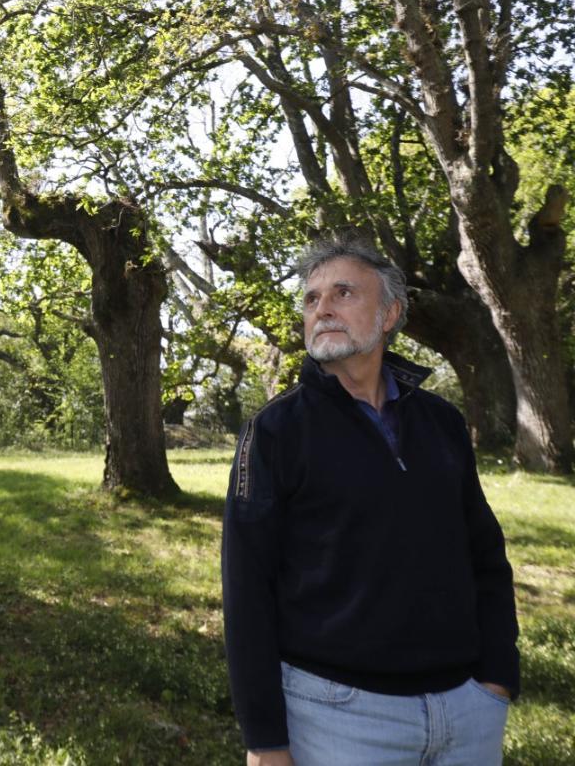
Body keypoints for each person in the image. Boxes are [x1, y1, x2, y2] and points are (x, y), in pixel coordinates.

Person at [221, 234, 519, 766]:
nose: (323, 309)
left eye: (343, 293)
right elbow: (246, 591)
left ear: (389, 314)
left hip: (466, 713)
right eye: (311, 299)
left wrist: (496, 679)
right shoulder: (273, 432)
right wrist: (265, 742)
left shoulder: (441, 422)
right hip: (339, 718)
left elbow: (485, 557)